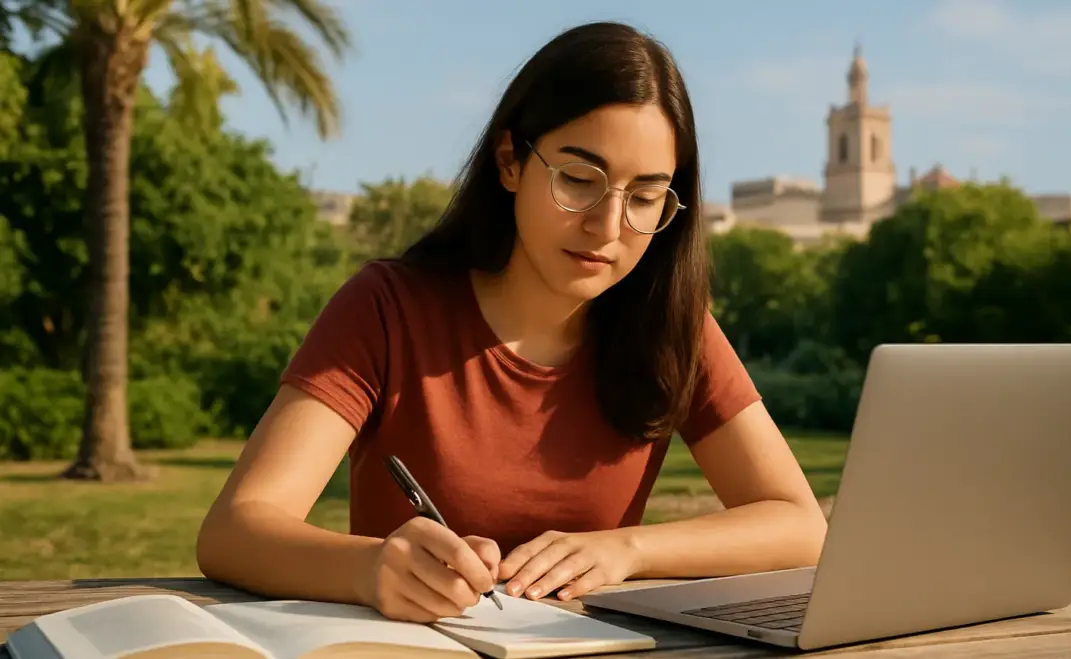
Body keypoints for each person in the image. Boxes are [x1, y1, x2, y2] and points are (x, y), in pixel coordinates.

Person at [196, 20, 827, 625]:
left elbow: (799, 525)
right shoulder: (387, 308)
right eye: (579, 180)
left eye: (643, 198)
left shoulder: (670, 325)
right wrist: (370, 569)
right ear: (510, 162)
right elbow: (236, 530)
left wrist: (625, 550)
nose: (608, 229)